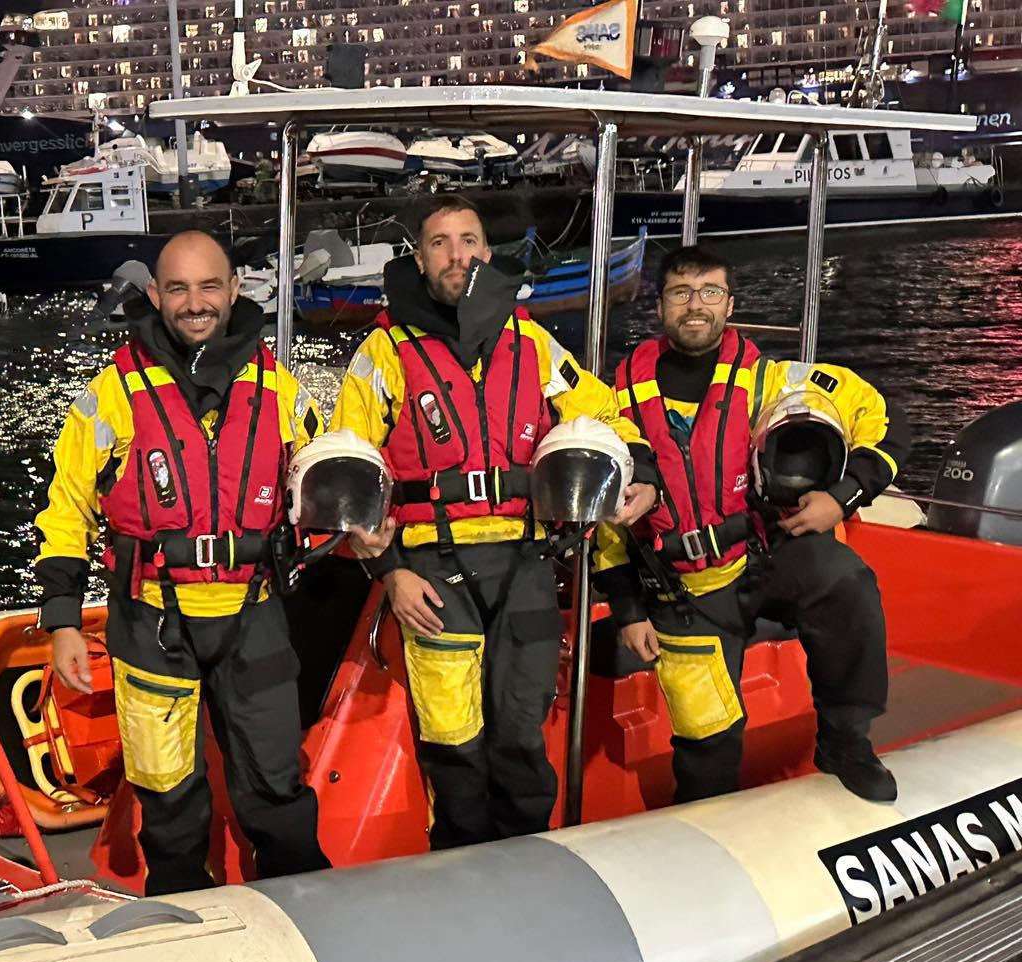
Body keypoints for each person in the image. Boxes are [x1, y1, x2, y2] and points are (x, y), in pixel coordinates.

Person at [335, 194, 659, 850]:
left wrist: (643, 473)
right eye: (440, 243)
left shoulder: (533, 343)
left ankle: (526, 865)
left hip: (526, 566)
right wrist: (390, 573)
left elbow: (605, 414)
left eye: (468, 241)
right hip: (431, 572)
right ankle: (462, 869)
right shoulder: (384, 352)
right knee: (453, 746)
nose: (456, 255)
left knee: (521, 737)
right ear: (419, 259)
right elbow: (348, 466)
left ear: (487, 252)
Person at [33, 230, 332, 894]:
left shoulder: (281, 391)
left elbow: (321, 479)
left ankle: (301, 909)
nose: (195, 303)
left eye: (208, 286)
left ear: (234, 290)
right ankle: (183, 915)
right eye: (178, 289)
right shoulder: (111, 394)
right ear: (154, 295)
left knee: (277, 785)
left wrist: (363, 522)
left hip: (253, 611)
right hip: (152, 620)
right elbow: (67, 507)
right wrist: (62, 620)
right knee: (166, 797)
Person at [596, 245, 912, 805]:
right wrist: (627, 610)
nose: (696, 305)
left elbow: (888, 424)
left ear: (729, 304)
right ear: (660, 306)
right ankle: (709, 821)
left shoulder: (773, 381)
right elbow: (609, 524)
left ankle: (845, 741)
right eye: (681, 293)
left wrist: (840, 498)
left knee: (844, 579)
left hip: (763, 557)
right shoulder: (614, 401)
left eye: (710, 292)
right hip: (680, 589)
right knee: (706, 748)